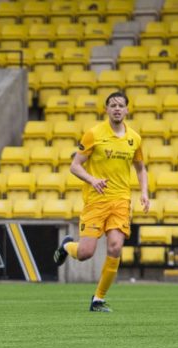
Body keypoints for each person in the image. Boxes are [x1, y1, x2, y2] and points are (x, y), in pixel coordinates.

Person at [53, 91, 150, 312]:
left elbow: (140, 168)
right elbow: (75, 166)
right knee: (86, 253)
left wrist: (144, 192)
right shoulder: (93, 134)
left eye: (121, 105)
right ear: (105, 109)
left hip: (121, 201)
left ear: (127, 110)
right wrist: (92, 179)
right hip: (96, 201)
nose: (117, 109)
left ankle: (98, 299)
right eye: (113, 105)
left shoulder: (135, 138)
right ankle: (67, 246)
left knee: (115, 248)